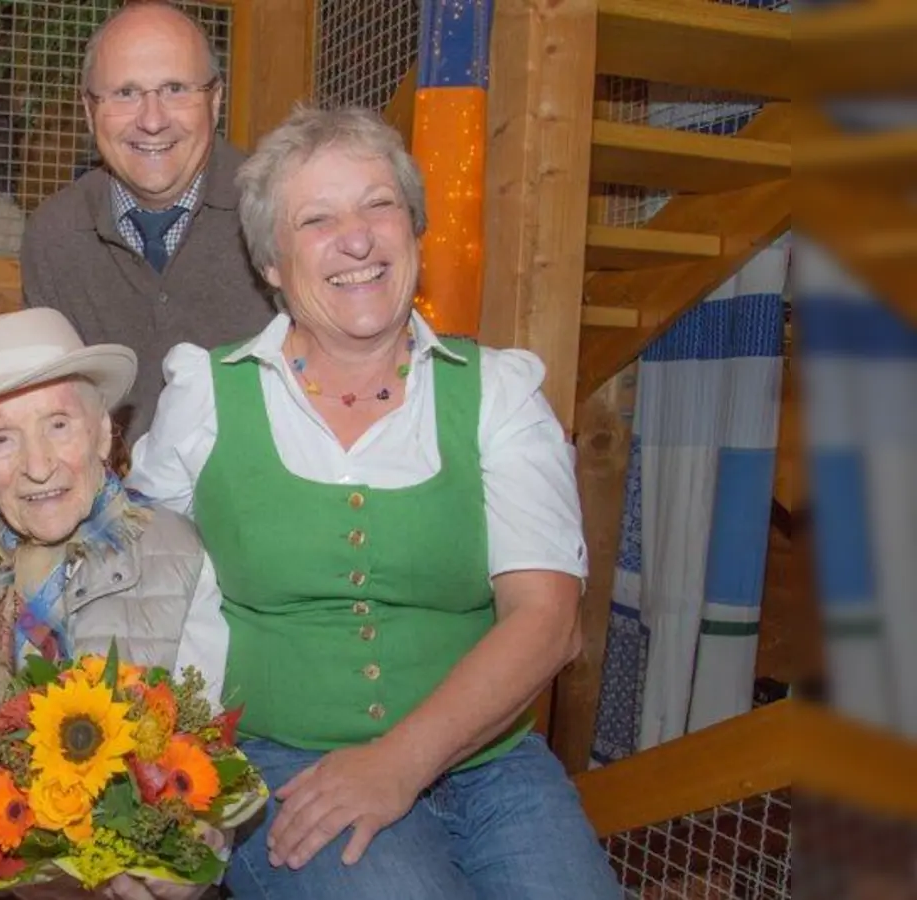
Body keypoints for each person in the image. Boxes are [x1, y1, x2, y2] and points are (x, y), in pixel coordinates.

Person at [127, 105, 620, 899]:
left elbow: (547, 619)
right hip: (283, 760)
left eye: (379, 205)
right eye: (316, 219)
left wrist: (400, 761)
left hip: (490, 763)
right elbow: (133, 573)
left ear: (415, 233)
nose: (356, 239)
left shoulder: (496, 392)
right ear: (273, 266)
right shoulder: (207, 395)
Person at [0, 307, 230, 900]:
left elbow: (200, 749)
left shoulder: (178, 557)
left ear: (106, 434)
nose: (37, 466)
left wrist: (182, 849)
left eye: (59, 425)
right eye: (2, 439)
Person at [20, 0, 274, 442]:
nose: (152, 120)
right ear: (88, 110)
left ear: (215, 101)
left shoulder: (278, 210)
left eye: (176, 88)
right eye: (125, 93)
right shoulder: (53, 237)